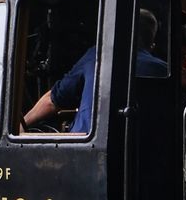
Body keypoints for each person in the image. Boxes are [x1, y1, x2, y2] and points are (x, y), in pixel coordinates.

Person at [23, 9, 169, 134]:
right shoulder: (164, 70)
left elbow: (52, 100)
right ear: (152, 45)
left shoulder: (96, 55)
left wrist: (21, 126)